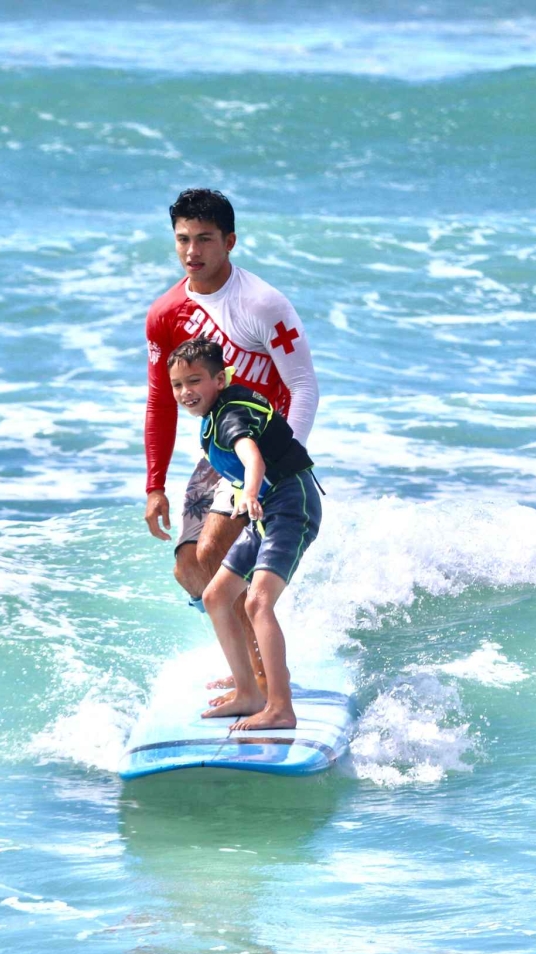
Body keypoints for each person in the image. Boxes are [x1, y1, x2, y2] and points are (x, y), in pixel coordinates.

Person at [142, 189, 319, 690]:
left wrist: (283, 465)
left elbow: (304, 386)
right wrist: (154, 484)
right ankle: (252, 666)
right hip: (219, 450)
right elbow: (160, 399)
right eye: (182, 240)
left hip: (262, 450)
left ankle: (263, 680)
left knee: (217, 558)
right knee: (189, 569)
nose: (191, 251)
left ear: (230, 241)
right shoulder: (166, 313)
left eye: (204, 239)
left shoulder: (261, 304)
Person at [165, 337, 321, 730]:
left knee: (257, 603)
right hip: (268, 509)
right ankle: (249, 693)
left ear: (220, 379)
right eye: (178, 384)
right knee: (216, 595)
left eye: (195, 381)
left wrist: (248, 492)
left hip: (290, 503)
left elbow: (250, 454)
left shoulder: (231, 413)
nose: (186, 392)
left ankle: (281, 708)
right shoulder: (214, 416)